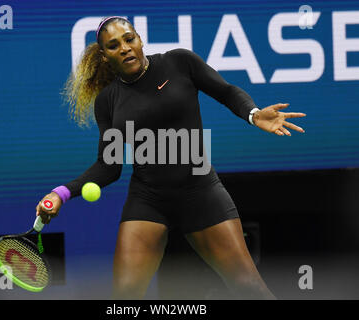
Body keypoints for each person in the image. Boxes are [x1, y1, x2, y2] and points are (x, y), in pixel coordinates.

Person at [36, 16, 306, 300]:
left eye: (129, 39)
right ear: (104, 57)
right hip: (149, 200)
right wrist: (61, 193)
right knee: (125, 296)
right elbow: (109, 167)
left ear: (140, 39)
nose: (125, 48)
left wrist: (253, 114)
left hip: (200, 192)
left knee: (249, 287)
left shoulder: (179, 63)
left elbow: (226, 92)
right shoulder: (109, 100)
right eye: (114, 46)